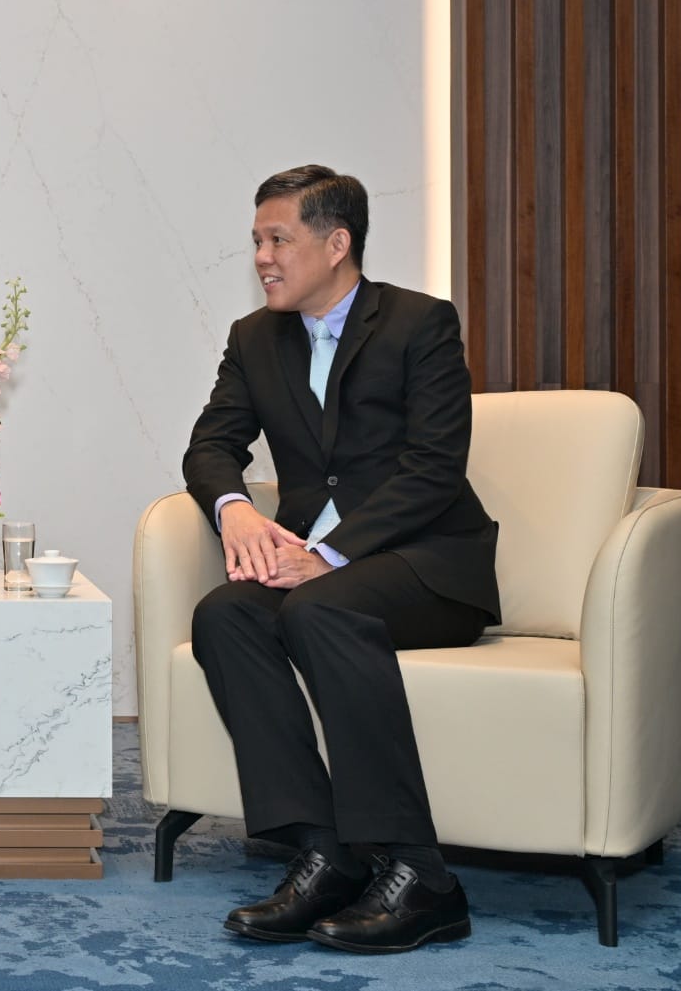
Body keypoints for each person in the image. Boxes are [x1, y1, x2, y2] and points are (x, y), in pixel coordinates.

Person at [182, 165, 498, 955]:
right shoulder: (254, 337)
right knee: (225, 612)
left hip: (424, 565)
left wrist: (326, 554)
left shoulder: (420, 323)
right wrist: (238, 508)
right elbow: (210, 446)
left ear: (337, 242)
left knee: (320, 604)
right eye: (256, 239)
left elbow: (434, 467)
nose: (262, 255)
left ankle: (424, 876)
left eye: (278, 238)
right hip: (313, 571)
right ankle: (324, 851)